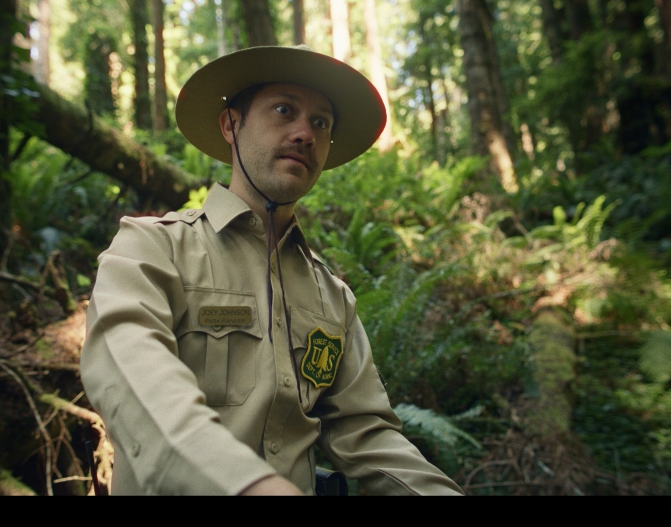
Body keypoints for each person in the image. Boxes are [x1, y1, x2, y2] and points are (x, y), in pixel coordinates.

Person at [80, 45, 463, 495]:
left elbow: (368, 435)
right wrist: (250, 486)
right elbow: (134, 383)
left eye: (321, 123)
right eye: (284, 110)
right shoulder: (152, 249)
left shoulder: (332, 297)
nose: (305, 134)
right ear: (231, 125)